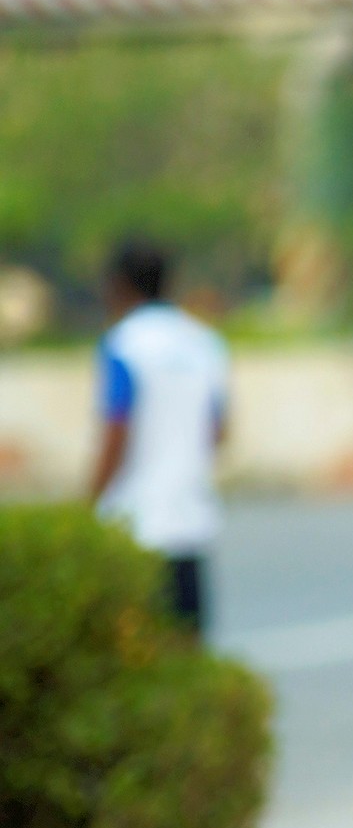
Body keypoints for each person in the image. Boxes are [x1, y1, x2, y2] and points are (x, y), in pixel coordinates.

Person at [88, 239, 229, 636]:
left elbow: (116, 431)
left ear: (118, 284)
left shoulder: (123, 343)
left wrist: (88, 504)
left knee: (137, 647)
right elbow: (218, 431)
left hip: (134, 524)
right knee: (187, 646)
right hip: (190, 519)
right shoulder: (204, 342)